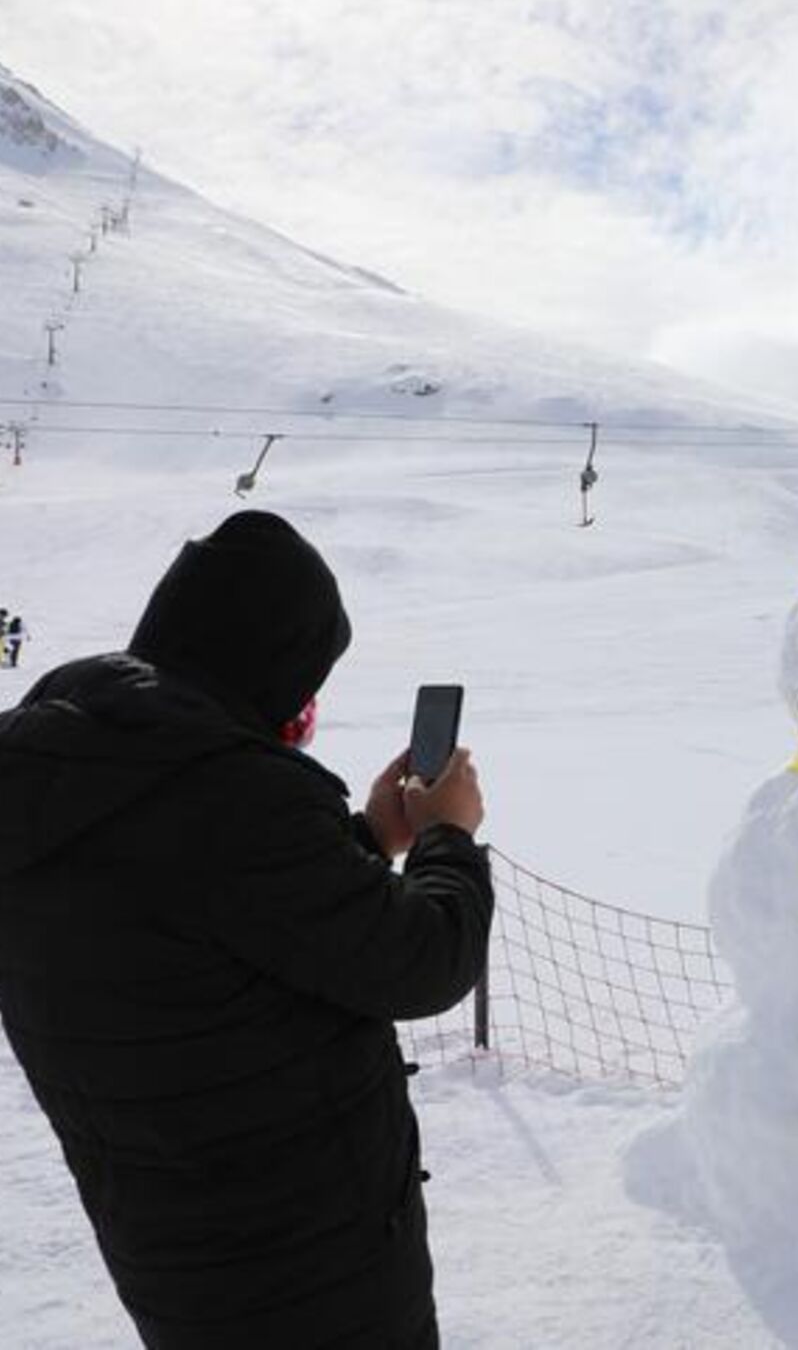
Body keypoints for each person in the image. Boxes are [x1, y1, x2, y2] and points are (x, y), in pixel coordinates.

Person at [0, 511, 492, 1349]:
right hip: (315, 1275)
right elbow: (424, 962)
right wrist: (447, 836)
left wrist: (365, 841)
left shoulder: (63, 766)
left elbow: (198, 912)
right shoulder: (230, 800)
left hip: (176, 1265)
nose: (301, 717)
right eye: (301, 691)